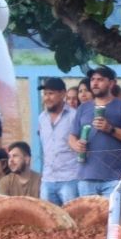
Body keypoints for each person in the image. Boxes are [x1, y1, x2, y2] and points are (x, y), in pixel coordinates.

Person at [69, 65, 121, 196]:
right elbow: (72, 136)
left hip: (114, 177)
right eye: (93, 79)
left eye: (100, 79)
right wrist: (76, 145)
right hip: (86, 176)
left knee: (112, 216)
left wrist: (111, 129)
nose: (94, 83)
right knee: (88, 216)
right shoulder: (83, 108)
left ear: (111, 83)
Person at [34, 77, 82, 205]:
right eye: (45, 94)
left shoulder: (74, 116)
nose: (47, 98)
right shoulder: (41, 118)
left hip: (70, 178)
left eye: (51, 93)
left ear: (63, 94)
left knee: (72, 219)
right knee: (48, 220)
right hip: (47, 179)